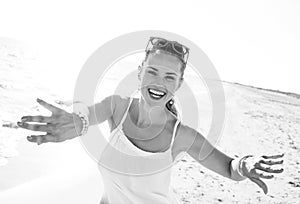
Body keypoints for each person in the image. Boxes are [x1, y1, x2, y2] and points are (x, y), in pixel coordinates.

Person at [17, 37, 284, 204]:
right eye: (152, 72)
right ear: (139, 74)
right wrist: (76, 121)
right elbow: (86, 112)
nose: (159, 82)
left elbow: (228, 167)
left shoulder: (181, 136)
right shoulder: (117, 108)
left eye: (169, 77)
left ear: (178, 85)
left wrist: (245, 165)